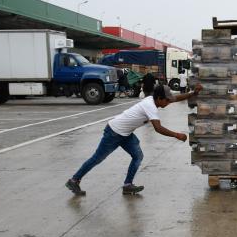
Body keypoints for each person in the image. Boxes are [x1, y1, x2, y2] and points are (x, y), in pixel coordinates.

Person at [66, 82, 202, 196]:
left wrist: (192, 94)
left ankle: (128, 185)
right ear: (159, 98)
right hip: (113, 132)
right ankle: (74, 180)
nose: (168, 102)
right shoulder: (150, 107)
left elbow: (176, 98)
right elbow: (158, 128)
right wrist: (177, 135)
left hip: (125, 134)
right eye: (166, 100)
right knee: (97, 158)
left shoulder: (153, 99)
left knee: (138, 156)